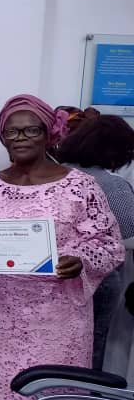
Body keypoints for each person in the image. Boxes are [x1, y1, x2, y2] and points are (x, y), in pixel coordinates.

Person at [0, 94, 124, 400]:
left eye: (30, 130)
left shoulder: (80, 186)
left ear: (49, 133)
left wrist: (80, 261)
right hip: (4, 320)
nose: (20, 139)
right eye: (11, 132)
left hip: (61, 320)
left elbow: (109, 244)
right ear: (2, 137)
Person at [57, 115, 134, 375]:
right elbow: (127, 229)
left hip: (52, 272)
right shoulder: (113, 185)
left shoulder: (53, 174)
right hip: (98, 276)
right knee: (91, 345)